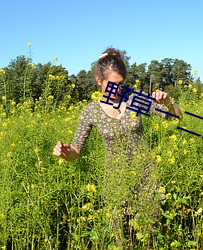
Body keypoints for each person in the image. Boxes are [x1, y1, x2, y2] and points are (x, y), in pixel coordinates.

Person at [53, 48, 182, 247]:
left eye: (121, 84)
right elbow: (75, 151)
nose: (117, 89)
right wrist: (65, 152)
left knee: (150, 237)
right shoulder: (91, 111)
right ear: (99, 81)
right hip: (115, 182)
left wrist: (169, 101)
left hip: (146, 177)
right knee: (121, 239)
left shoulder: (135, 98)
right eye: (111, 84)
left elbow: (175, 118)